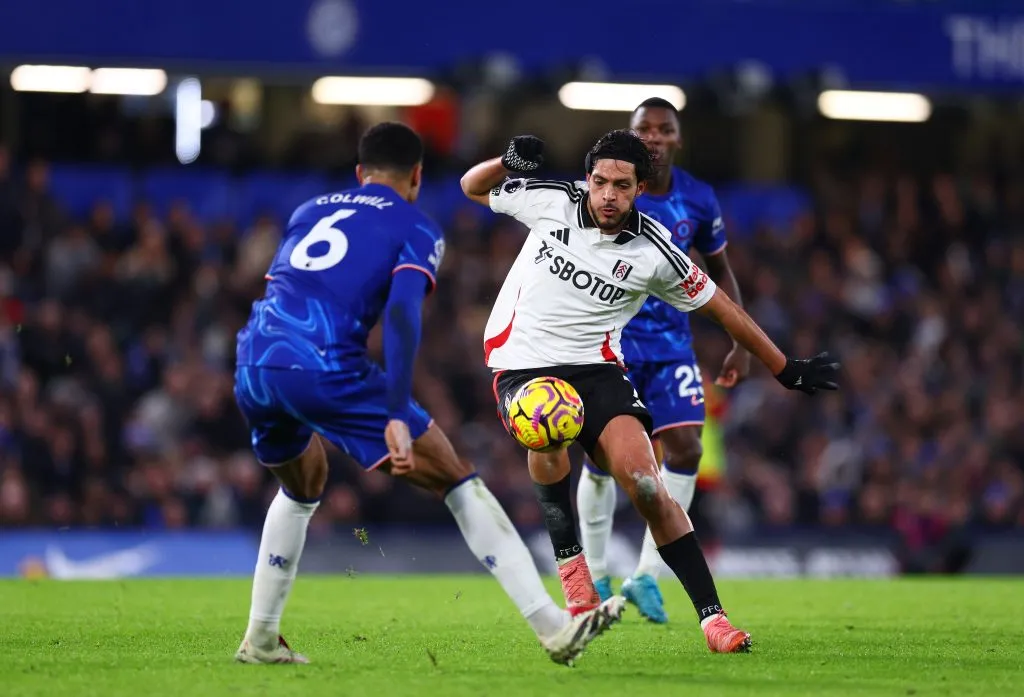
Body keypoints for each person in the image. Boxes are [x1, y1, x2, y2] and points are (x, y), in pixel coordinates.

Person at [232, 122, 625, 667]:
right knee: (457, 478)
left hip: (254, 358)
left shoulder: (308, 211)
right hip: (325, 365)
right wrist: (395, 411)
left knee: (304, 483)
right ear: (416, 177)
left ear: (358, 173)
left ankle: (261, 640)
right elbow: (400, 313)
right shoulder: (415, 226)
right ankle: (554, 626)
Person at [460, 129, 839, 653]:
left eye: (621, 185)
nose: (607, 195)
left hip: (597, 370)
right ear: (587, 180)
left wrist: (782, 366)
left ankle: (714, 620)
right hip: (523, 366)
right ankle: (575, 576)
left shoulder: (654, 249)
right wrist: (506, 162)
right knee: (549, 423)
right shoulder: (555, 200)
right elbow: (471, 186)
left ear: (641, 188)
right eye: (599, 182)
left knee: (645, 485)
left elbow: (722, 309)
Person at [576, 97, 749, 624]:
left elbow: (718, 268)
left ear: (676, 137)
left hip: (671, 342)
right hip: (611, 341)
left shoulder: (698, 198)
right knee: (601, 461)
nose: (653, 135)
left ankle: (647, 575)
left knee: (687, 448)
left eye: (663, 128)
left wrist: (740, 337)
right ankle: (599, 570)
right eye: (643, 128)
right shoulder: (609, 191)